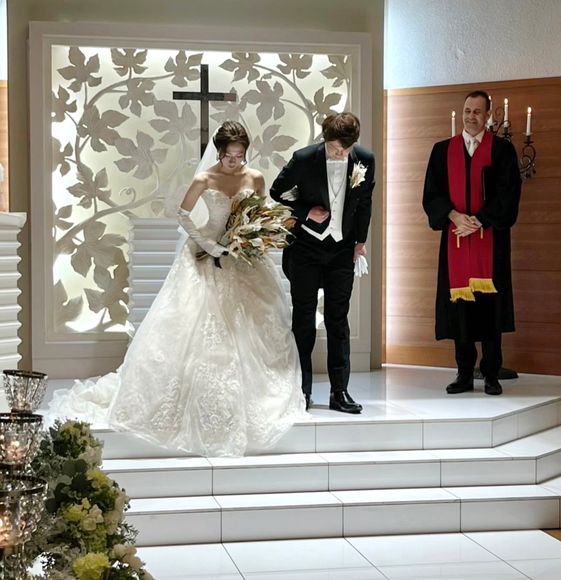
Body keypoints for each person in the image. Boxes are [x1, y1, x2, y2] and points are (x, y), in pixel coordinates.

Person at [48, 121, 307, 456]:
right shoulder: (204, 179)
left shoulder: (255, 177)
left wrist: (249, 237)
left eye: (240, 156)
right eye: (229, 156)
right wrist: (209, 245)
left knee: (255, 323)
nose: (234, 162)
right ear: (219, 152)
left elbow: (257, 213)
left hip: (242, 255)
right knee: (194, 323)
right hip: (206, 252)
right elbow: (183, 214)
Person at [271, 112, 375, 414]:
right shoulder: (304, 158)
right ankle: (301, 390)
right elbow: (277, 191)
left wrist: (360, 242)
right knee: (303, 318)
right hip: (305, 248)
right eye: (333, 148)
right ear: (325, 139)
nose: (339, 154)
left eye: (344, 149)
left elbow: (365, 202)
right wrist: (305, 211)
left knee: (338, 320)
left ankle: (339, 391)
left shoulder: (365, 159)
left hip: (342, 250)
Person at [422, 90, 521, 396]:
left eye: (477, 112)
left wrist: (477, 221)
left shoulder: (502, 150)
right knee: (460, 309)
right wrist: (454, 216)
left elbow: (508, 194)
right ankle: (464, 373)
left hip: (491, 242)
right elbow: (431, 195)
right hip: (455, 242)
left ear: (488, 115)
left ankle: (491, 374)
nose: (471, 116)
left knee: (490, 308)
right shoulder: (442, 151)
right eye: (467, 111)